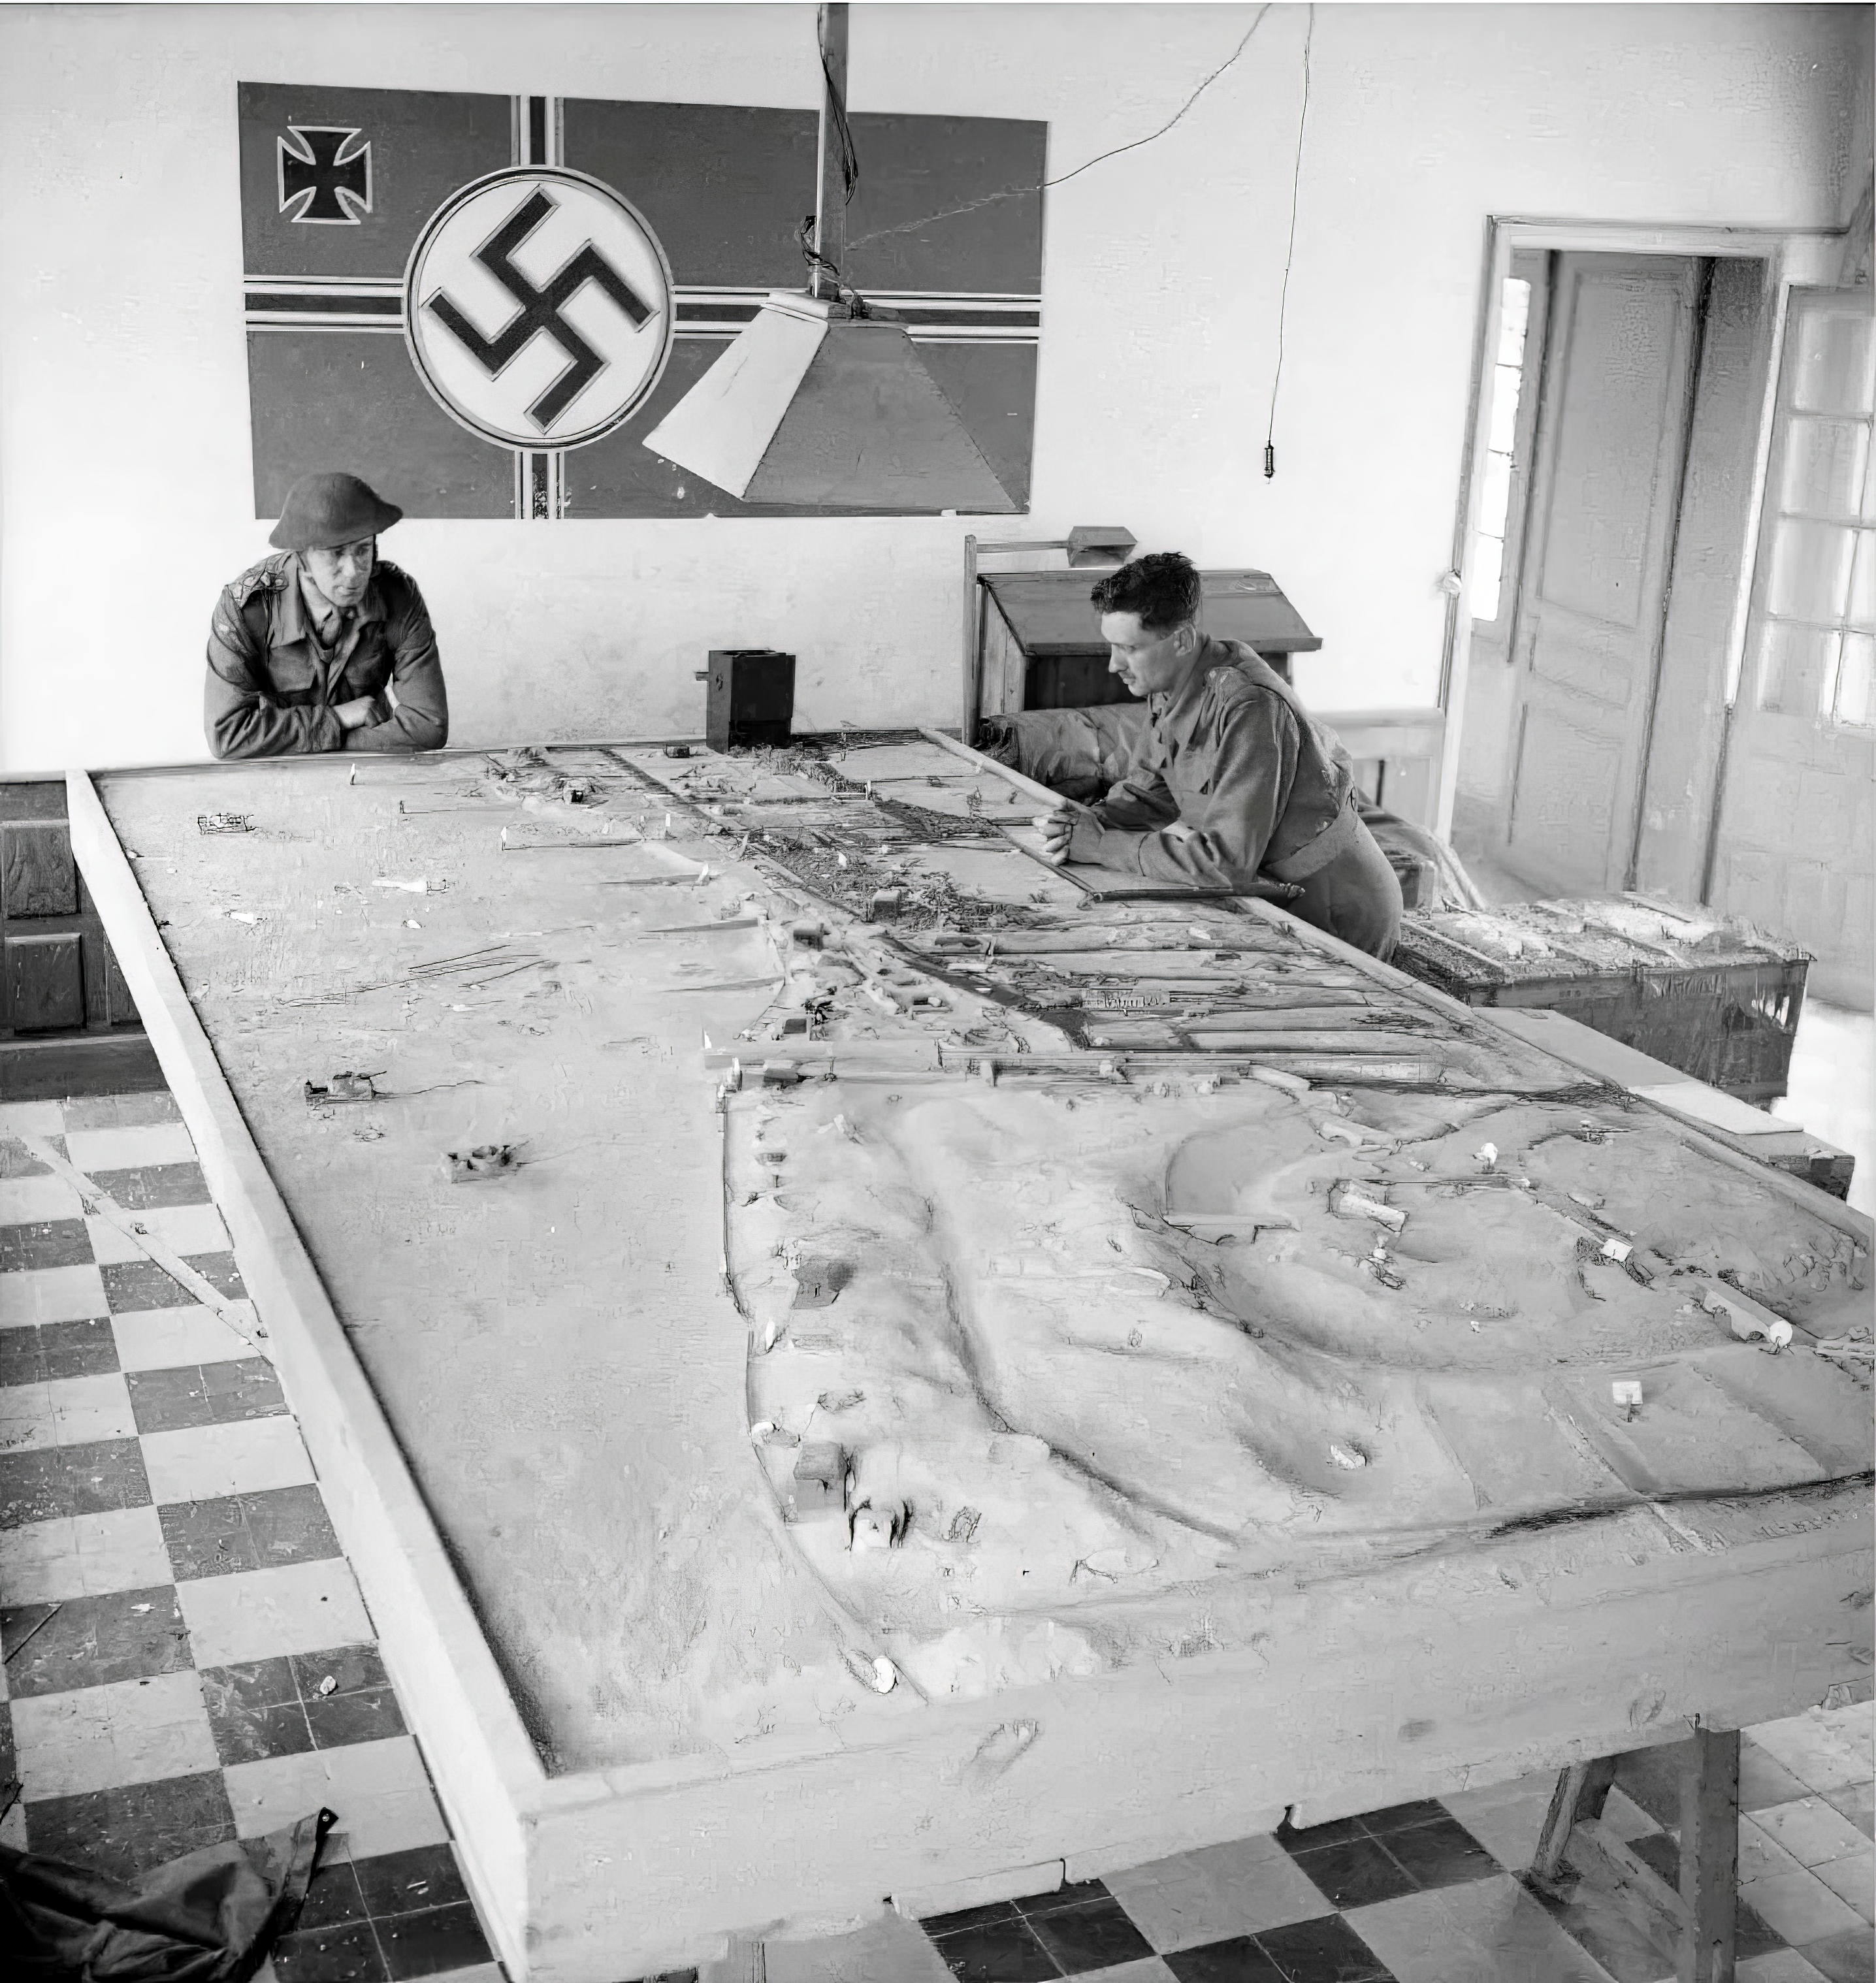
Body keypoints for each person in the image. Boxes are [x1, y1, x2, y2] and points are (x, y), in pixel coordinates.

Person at [1037, 551, 1402, 958]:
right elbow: (1146, 792)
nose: (1113, 665)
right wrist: (1082, 825)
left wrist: (1103, 846)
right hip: (1273, 892)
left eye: (1129, 648)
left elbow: (1225, 864)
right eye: (1112, 646)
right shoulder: (1169, 679)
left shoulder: (1250, 707)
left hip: (1335, 908)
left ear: (1182, 641)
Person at [204, 472, 449, 760]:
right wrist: (339, 719)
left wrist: (321, 738)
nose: (354, 571)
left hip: (365, 765)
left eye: (363, 550)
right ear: (301, 560)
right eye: (335, 553)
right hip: (279, 772)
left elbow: (429, 726)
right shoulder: (247, 608)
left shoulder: (398, 597)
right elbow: (227, 736)